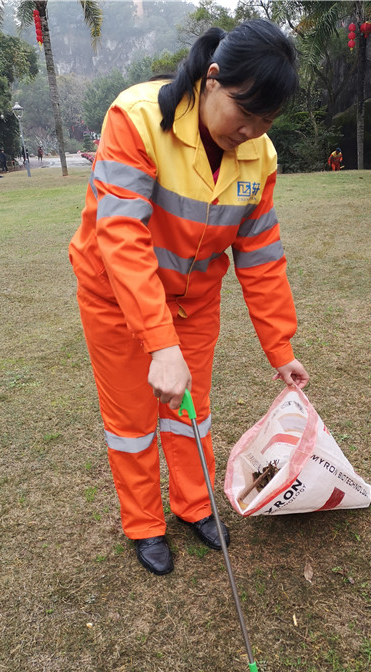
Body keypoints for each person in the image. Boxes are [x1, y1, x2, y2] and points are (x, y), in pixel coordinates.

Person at [69, 20, 309, 576]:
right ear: (213, 77)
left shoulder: (259, 158)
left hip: (194, 299)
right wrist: (158, 343)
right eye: (244, 112)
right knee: (131, 418)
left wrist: (281, 347)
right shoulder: (135, 118)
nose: (250, 131)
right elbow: (121, 238)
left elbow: (260, 256)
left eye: (266, 122)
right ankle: (145, 525)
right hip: (114, 294)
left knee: (190, 415)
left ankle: (194, 506)